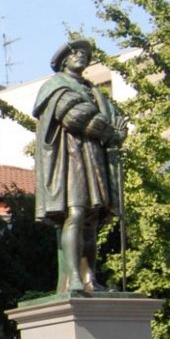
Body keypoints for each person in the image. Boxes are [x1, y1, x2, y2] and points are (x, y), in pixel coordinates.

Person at [32, 39, 124, 294]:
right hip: (69, 159)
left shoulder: (94, 92)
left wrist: (116, 132)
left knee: (91, 220)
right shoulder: (55, 87)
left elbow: (116, 120)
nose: (82, 57)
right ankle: (73, 277)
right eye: (77, 54)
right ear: (64, 60)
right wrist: (109, 130)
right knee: (76, 213)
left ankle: (89, 279)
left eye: (85, 54)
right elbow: (74, 116)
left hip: (92, 157)